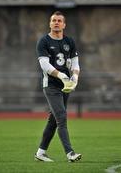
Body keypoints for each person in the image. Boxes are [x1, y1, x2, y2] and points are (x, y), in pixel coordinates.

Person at [35, 11, 82, 162]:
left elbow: (75, 63)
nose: (56, 22)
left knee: (54, 120)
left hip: (65, 86)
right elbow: (44, 65)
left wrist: (74, 76)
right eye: (53, 20)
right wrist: (61, 76)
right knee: (61, 117)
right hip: (51, 85)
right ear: (50, 23)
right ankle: (70, 153)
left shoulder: (69, 41)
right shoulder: (43, 41)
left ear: (64, 24)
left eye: (59, 21)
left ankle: (40, 153)